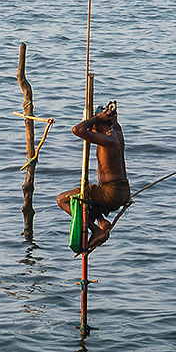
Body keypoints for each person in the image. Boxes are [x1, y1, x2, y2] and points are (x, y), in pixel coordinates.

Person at [56, 101, 130, 254]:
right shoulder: (117, 132)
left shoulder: (107, 140)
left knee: (62, 199)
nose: (92, 131)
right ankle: (101, 221)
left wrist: (95, 118)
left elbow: (77, 130)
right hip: (123, 191)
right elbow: (113, 122)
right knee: (90, 203)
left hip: (110, 193)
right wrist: (108, 115)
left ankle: (96, 230)